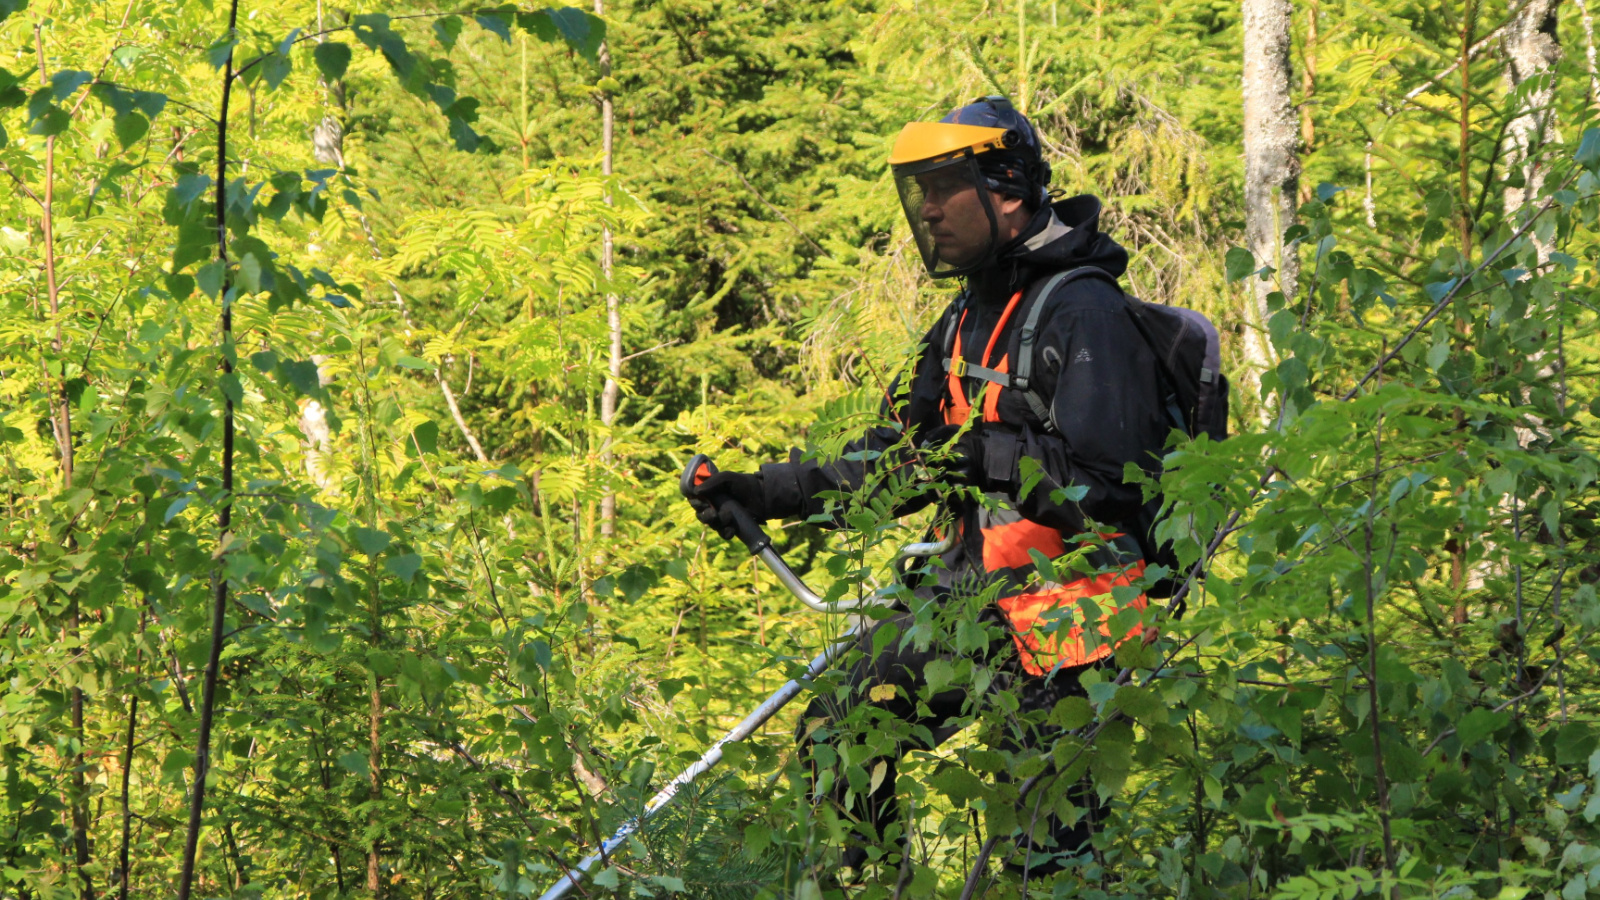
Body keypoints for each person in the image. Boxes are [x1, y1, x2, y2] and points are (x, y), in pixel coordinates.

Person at [687, 96, 1172, 882]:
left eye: (945, 186)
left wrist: (988, 454)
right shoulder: (967, 315)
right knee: (843, 731)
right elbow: (897, 456)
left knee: (1046, 862)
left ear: (1007, 187)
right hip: (970, 602)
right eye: (920, 190)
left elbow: (1107, 493)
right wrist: (762, 491)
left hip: (1072, 623)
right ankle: (883, 887)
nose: (930, 210)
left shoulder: (1087, 313)